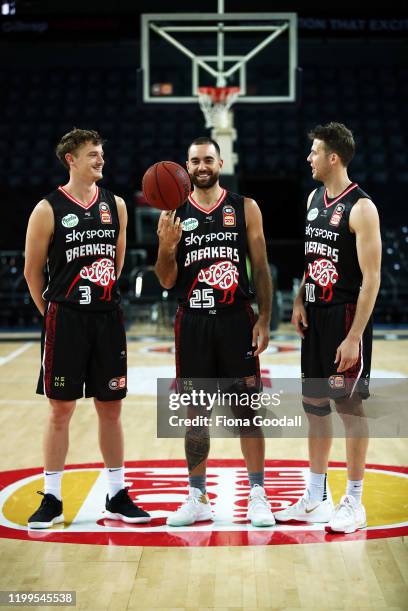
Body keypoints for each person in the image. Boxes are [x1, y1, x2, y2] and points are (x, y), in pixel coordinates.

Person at [24, 128, 150, 529]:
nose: (100, 160)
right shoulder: (47, 209)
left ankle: (116, 493)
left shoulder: (117, 206)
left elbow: (117, 262)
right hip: (65, 317)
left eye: (101, 154)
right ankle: (53, 497)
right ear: (71, 159)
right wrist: (52, 313)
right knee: (60, 410)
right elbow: (31, 271)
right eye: (92, 154)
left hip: (106, 316)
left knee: (110, 407)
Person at [155, 136, 275, 527]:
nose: (201, 166)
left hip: (236, 318)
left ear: (220, 163)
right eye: (194, 161)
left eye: (208, 159)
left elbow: (260, 266)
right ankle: (197, 496)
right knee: (196, 414)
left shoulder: (245, 208)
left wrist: (264, 318)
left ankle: (258, 494)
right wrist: (166, 248)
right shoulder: (173, 212)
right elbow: (167, 280)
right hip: (192, 322)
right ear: (185, 168)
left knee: (246, 412)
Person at [274, 122, 381, 533]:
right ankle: (316, 496)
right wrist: (301, 297)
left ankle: (354, 501)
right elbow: (314, 257)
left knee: (349, 407)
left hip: (344, 317)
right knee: (315, 407)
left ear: (333, 157)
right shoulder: (313, 198)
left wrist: (354, 336)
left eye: (315, 152)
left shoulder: (362, 208)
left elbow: (371, 278)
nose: (309, 158)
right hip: (316, 318)